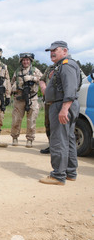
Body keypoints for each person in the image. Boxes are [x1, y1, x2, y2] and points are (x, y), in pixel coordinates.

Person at [39, 41, 80, 185]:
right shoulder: (61, 65)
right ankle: (70, 172)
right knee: (68, 140)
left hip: (62, 105)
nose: (51, 53)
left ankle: (58, 175)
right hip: (63, 104)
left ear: (64, 50)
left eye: (54, 50)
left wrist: (64, 108)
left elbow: (70, 89)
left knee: (59, 140)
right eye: (50, 51)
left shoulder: (66, 65)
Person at [10, 53, 43, 148]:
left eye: (27, 60)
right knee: (16, 119)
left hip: (32, 97)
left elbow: (42, 79)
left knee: (32, 119)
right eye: (24, 60)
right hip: (19, 98)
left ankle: (30, 139)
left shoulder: (35, 71)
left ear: (30, 61)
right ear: (21, 61)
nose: (25, 62)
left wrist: (32, 78)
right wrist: (13, 88)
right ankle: (15, 137)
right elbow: (11, 82)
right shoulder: (17, 72)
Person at [39, 65, 55, 154]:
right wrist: (43, 87)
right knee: (48, 124)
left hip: (61, 102)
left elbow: (82, 80)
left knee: (59, 126)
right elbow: (42, 79)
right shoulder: (50, 68)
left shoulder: (69, 65)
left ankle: (59, 148)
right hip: (49, 101)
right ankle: (51, 146)